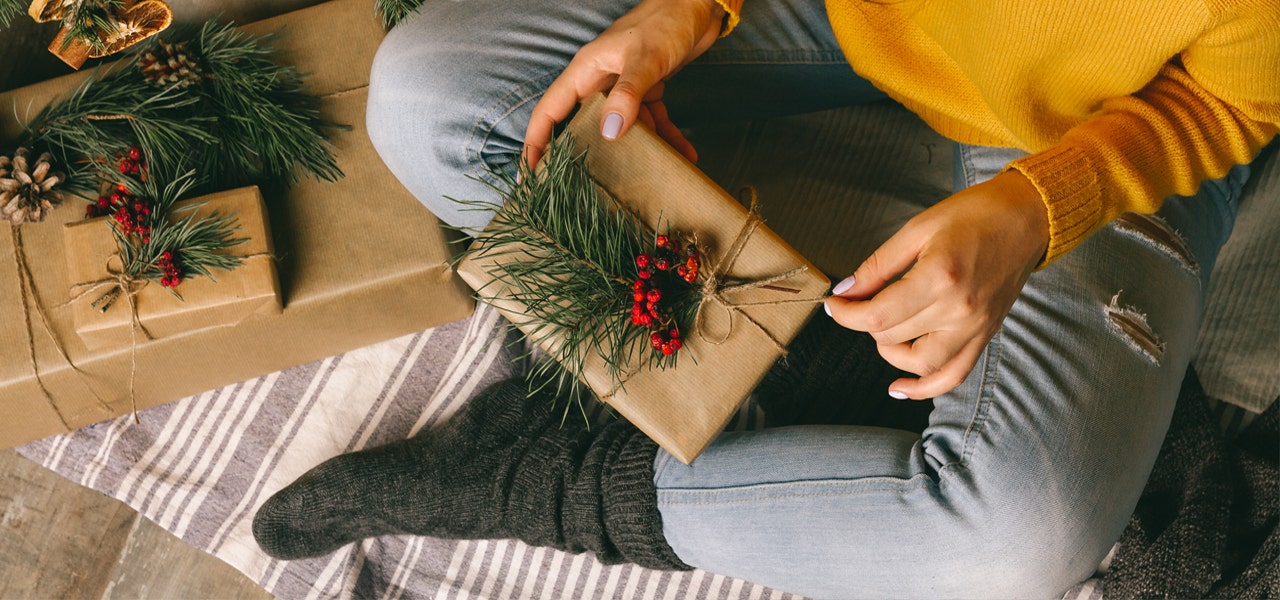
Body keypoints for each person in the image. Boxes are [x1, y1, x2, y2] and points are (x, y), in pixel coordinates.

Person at [251, 0, 1280, 597]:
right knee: (434, 94)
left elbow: (1232, 95)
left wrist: (1030, 211)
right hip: (849, 16)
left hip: (1110, 130)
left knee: (1005, 537)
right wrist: (685, 9)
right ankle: (673, 371)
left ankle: (540, 478)